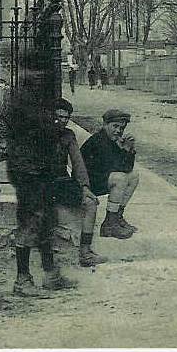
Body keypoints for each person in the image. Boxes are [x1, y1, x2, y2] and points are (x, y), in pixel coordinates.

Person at [6, 49, 78, 297]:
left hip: (42, 169)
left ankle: (50, 275)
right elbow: (26, 138)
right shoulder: (21, 99)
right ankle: (22, 279)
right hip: (27, 170)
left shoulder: (41, 98)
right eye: (32, 69)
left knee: (46, 221)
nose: (37, 74)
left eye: (41, 70)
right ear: (23, 71)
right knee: (30, 222)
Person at [51, 99, 107, 267]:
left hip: (60, 181)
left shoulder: (68, 135)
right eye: (59, 116)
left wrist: (84, 187)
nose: (62, 121)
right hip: (41, 182)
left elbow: (78, 162)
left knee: (90, 203)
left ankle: (85, 252)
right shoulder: (38, 133)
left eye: (66, 118)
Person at [80, 109, 140, 239]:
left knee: (134, 176)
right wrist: (124, 149)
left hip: (98, 178)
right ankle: (109, 225)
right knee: (120, 178)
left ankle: (117, 216)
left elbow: (128, 168)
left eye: (122, 128)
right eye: (115, 126)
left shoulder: (110, 140)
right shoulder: (99, 141)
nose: (118, 131)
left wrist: (130, 150)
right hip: (85, 182)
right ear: (105, 124)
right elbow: (117, 168)